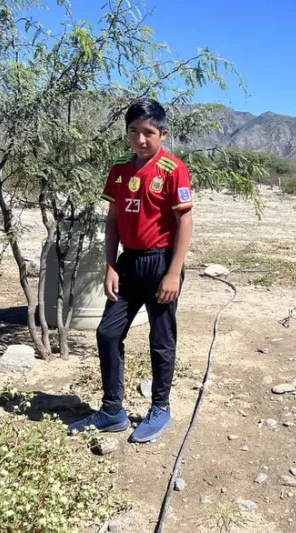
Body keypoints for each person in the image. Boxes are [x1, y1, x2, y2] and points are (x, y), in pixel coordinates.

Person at [68, 99, 193, 443]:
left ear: (162, 134)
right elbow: (112, 221)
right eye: (133, 132)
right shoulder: (120, 169)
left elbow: (184, 221)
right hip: (128, 264)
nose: (140, 140)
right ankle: (112, 411)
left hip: (161, 263)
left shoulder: (172, 168)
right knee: (108, 333)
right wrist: (110, 266)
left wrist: (173, 272)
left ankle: (160, 408)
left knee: (161, 338)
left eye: (148, 133)